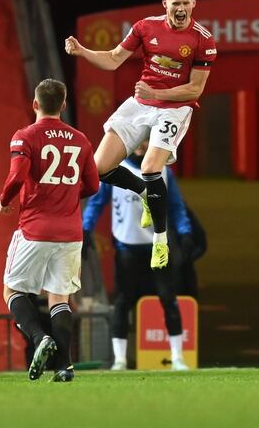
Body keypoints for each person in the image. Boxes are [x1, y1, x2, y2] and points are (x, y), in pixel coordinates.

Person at [65, 0, 217, 270]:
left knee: (150, 168)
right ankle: (145, 193)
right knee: (98, 169)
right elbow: (113, 59)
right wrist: (83, 51)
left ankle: (160, 240)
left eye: (186, 3)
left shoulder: (203, 40)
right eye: (176, 3)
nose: (181, 8)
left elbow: (195, 90)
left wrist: (156, 93)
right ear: (165, 4)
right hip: (142, 103)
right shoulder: (146, 27)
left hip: (175, 108)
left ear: (193, 4)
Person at [0, 79, 99, 382]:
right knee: (60, 298)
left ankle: (39, 337)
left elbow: (17, 176)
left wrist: (4, 200)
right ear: (63, 105)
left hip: (35, 228)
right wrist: (67, 195)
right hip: (70, 232)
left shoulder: (25, 136)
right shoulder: (80, 140)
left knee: (12, 290)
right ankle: (65, 367)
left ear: (35, 104)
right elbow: (93, 185)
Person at [82, 141, 196, 371]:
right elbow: (96, 202)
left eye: (146, 140)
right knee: (123, 301)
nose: (142, 145)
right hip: (126, 247)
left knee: (168, 298)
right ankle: (120, 360)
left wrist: (185, 232)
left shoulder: (163, 170)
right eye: (138, 139)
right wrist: (85, 228)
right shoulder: (114, 169)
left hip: (157, 246)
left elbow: (176, 205)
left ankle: (177, 358)